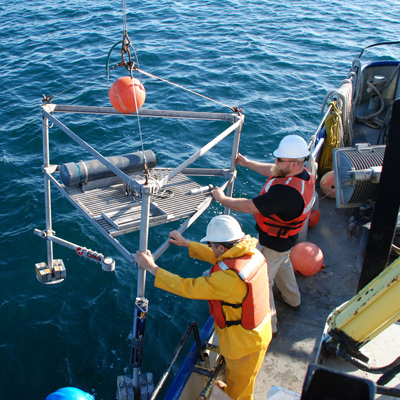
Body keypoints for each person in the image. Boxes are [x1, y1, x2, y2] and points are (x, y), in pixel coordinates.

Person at [135, 215, 271, 400]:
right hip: (256, 333)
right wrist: (187, 244)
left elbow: (187, 287)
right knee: (240, 379)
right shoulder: (252, 253)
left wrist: (153, 268)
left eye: (212, 245)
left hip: (243, 346)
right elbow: (224, 259)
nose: (211, 249)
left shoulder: (228, 280)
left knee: (241, 394)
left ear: (221, 247)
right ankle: (231, 386)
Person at [210, 135, 315, 335]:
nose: (275, 162)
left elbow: (250, 206)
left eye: (279, 159)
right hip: (286, 243)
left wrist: (223, 199)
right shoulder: (304, 174)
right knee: (283, 264)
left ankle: (270, 327)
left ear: (293, 163)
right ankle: (293, 300)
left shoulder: (286, 195)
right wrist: (246, 162)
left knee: (263, 282)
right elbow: (273, 171)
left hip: (273, 244)